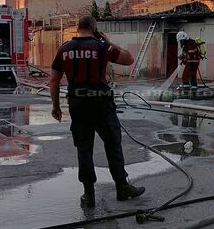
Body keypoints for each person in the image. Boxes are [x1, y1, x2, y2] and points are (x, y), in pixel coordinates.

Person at [50, 15, 145, 208]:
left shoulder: (64, 49)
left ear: (78, 28)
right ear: (95, 29)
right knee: (113, 144)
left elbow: (53, 81)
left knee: (84, 148)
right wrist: (108, 42)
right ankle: (122, 187)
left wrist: (56, 107)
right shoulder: (103, 47)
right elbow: (129, 59)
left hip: (78, 104)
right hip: (102, 104)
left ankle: (89, 195)